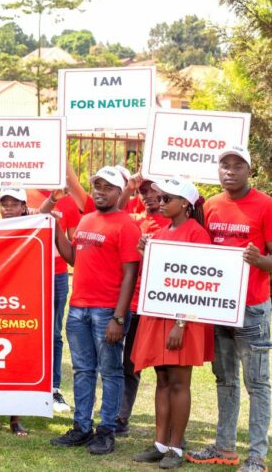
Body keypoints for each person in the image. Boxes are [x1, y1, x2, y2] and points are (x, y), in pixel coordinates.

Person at [187, 146, 272, 472]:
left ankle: (256, 457)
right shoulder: (211, 206)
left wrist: (260, 260)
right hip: (219, 308)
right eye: (225, 165)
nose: (230, 171)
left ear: (249, 171)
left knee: (257, 384)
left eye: (238, 166)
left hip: (252, 309)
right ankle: (225, 448)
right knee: (225, 381)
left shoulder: (265, 205)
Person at [50, 166, 141, 455]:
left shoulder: (126, 225)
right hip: (78, 309)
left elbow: (130, 273)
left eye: (107, 187)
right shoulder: (87, 219)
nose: (100, 191)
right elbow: (74, 258)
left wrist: (118, 316)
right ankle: (82, 427)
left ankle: (106, 431)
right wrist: (55, 231)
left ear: (119, 192)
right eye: (97, 186)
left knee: (111, 372)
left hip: (106, 312)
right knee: (82, 370)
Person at [131, 177, 213, 469]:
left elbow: (198, 282)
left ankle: (176, 448)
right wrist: (145, 254)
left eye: (168, 199)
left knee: (179, 382)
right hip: (157, 315)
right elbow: (158, 277)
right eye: (161, 198)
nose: (161, 203)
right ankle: (160, 444)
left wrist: (182, 323)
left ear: (186, 204)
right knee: (162, 380)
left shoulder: (197, 233)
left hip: (182, 319)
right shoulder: (161, 232)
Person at [116, 174, 170, 437]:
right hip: (133, 304)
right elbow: (116, 212)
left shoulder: (173, 221)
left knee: (163, 369)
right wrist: (129, 187)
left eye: (153, 191)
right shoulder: (136, 220)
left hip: (158, 306)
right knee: (129, 364)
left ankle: (169, 429)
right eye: (144, 192)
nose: (148, 196)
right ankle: (121, 417)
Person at [0, 188, 31, 437]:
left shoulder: (35, 227)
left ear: (24, 206)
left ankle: (16, 417)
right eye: (5, 204)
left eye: (14, 204)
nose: (8, 208)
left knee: (18, 358)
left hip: (24, 300)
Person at [38, 187, 81, 414]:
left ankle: (53, 388)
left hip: (57, 273)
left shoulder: (67, 202)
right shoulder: (21, 192)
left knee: (54, 332)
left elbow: (74, 241)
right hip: (28, 271)